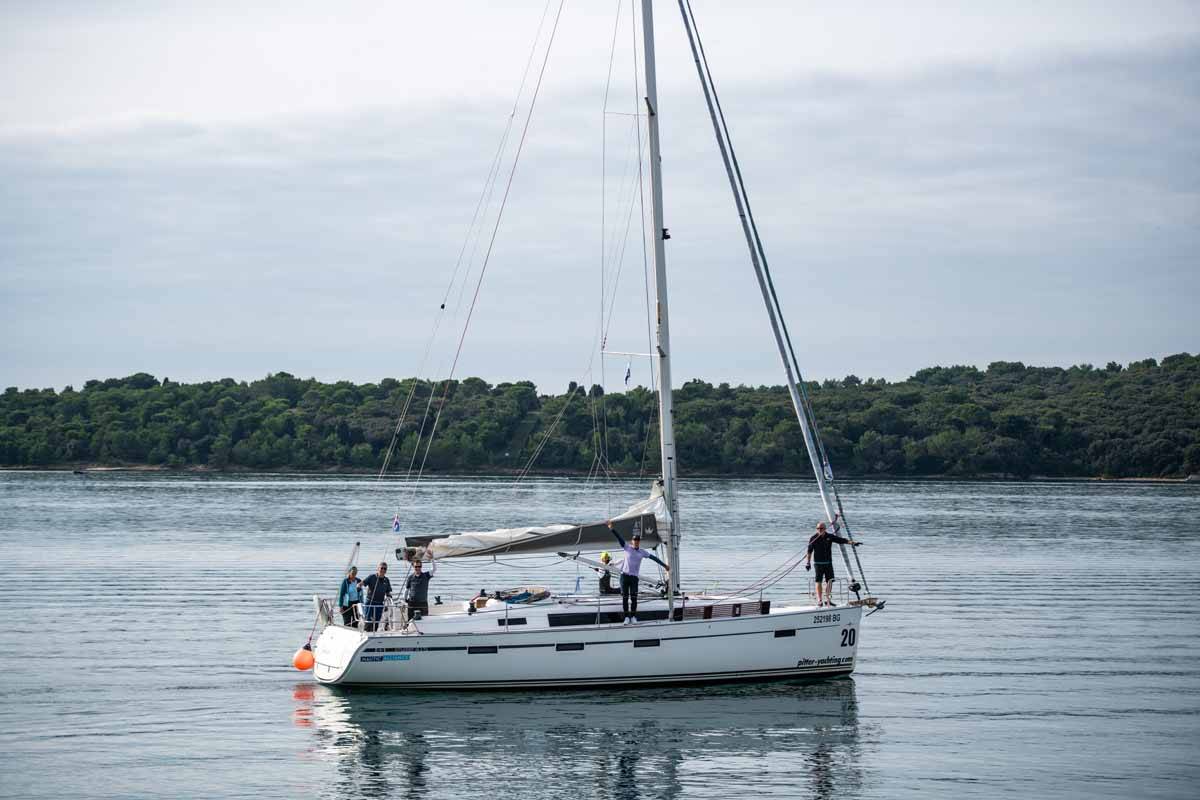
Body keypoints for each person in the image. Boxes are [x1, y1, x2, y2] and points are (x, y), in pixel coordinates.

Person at [608, 520, 669, 624]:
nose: (636, 542)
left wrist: (664, 565)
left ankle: (633, 617)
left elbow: (654, 558)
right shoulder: (627, 547)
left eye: (638, 541)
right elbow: (619, 538)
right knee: (625, 598)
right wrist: (612, 528)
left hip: (634, 578)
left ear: (639, 542)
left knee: (634, 598)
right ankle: (626, 617)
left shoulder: (642, 552)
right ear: (632, 541)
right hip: (624, 576)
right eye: (634, 540)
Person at [804, 517, 861, 608]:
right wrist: (808, 563)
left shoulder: (829, 537)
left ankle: (828, 600)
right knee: (818, 581)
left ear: (825, 529)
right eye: (818, 528)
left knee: (830, 581)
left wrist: (853, 543)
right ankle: (819, 600)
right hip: (818, 563)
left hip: (828, 563)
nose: (819, 530)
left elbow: (841, 540)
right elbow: (809, 551)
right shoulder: (813, 538)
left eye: (821, 528)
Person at [403, 550, 437, 620]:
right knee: (410, 621)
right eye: (416, 567)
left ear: (421, 567)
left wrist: (432, 559)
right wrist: (404, 600)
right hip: (412, 603)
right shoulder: (410, 577)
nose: (418, 568)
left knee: (424, 620)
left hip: (423, 603)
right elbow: (406, 590)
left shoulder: (426, 575)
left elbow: (434, 569)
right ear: (414, 567)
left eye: (419, 566)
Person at [361, 562, 392, 632]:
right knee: (368, 621)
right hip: (370, 603)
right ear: (378, 569)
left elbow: (388, 591)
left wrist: (388, 595)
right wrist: (359, 585)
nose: (383, 570)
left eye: (385, 569)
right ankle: (367, 633)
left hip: (379, 604)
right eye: (382, 568)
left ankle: (374, 633)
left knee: (377, 621)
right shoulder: (372, 577)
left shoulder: (386, 580)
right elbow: (363, 583)